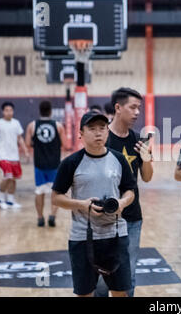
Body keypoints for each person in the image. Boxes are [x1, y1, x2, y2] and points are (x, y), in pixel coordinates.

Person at [51, 111, 137, 297]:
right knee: (85, 293)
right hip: (83, 237)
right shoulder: (71, 163)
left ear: (107, 132)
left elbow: (130, 191)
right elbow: (56, 198)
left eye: (102, 128)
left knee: (121, 292)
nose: (98, 133)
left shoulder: (119, 159)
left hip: (115, 234)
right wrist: (82, 205)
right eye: (92, 129)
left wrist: (122, 203)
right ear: (80, 133)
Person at [95, 87, 153, 297]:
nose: (138, 112)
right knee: (101, 275)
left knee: (129, 274)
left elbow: (146, 177)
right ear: (118, 108)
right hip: (103, 218)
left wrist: (146, 158)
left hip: (132, 218)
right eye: (133, 107)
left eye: (139, 108)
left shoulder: (139, 140)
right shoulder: (101, 138)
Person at [25, 100, 67, 227]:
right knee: (56, 192)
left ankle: (39, 218)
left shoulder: (32, 125)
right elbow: (65, 145)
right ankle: (52, 216)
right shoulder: (58, 126)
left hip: (39, 164)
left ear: (39, 111)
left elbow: (27, 144)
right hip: (55, 164)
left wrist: (38, 144)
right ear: (50, 111)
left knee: (39, 191)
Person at [0, 102, 30, 209]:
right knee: (7, 176)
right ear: (3, 111)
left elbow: (20, 138)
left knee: (14, 178)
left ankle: (10, 201)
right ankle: (0, 198)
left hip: (14, 156)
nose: (9, 112)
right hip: (2, 155)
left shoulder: (16, 123)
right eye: (7, 110)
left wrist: (25, 150)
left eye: (11, 110)